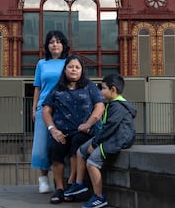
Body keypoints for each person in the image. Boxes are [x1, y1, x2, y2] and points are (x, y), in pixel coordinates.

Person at [63, 73, 137, 208]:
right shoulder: (111, 104)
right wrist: (93, 141)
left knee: (91, 163)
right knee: (81, 151)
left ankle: (99, 197)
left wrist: (95, 143)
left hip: (118, 139)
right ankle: (79, 184)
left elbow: (110, 128)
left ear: (113, 89)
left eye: (103, 88)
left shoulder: (118, 107)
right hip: (110, 136)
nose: (100, 91)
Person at [42, 55, 105, 204]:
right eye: (70, 67)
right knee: (56, 148)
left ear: (82, 70)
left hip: (83, 131)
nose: (74, 70)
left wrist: (89, 123)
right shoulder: (57, 88)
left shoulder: (89, 86)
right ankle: (60, 189)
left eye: (77, 67)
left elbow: (100, 106)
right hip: (62, 131)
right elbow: (46, 111)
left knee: (77, 143)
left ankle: (72, 184)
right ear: (65, 70)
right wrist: (53, 130)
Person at [31, 30, 70, 194]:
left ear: (63, 45)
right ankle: (43, 178)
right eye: (52, 42)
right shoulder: (42, 63)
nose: (55, 44)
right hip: (43, 107)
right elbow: (38, 87)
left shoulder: (69, 62)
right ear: (47, 46)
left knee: (60, 144)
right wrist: (34, 109)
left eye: (58, 41)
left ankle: (63, 181)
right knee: (41, 144)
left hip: (63, 107)